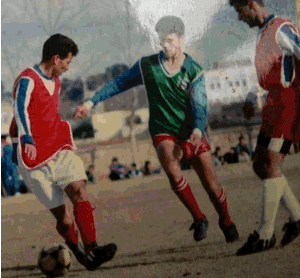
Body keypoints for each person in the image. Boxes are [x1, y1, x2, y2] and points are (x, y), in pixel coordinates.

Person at [75, 16, 239, 244]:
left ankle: (226, 220)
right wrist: (92, 102)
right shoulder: (147, 66)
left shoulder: (194, 70)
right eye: (162, 41)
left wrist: (198, 131)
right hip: (163, 129)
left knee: (212, 186)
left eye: (170, 41)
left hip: (192, 130)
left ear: (181, 40)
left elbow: (200, 106)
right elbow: (119, 83)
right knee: (171, 165)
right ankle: (199, 218)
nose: (165, 46)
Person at [9, 34, 117, 269]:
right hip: (33, 156)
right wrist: (26, 137)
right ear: (56, 58)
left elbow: (45, 115)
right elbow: (20, 110)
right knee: (65, 219)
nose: (68, 68)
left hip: (58, 146)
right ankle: (79, 253)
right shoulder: (27, 79)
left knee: (79, 188)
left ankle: (92, 248)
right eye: (67, 62)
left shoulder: (56, 81)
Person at [230, 0, 300, 255]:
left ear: (251, 4)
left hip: (289, 102)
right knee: (260, 165)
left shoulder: (282, 27)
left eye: (239, 12)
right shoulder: (263, 33)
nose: (240, 18)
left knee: (271, 163)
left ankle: (264, 233)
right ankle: (296, 218)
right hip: (273, 103)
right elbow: (264, 71)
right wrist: (251, 97)